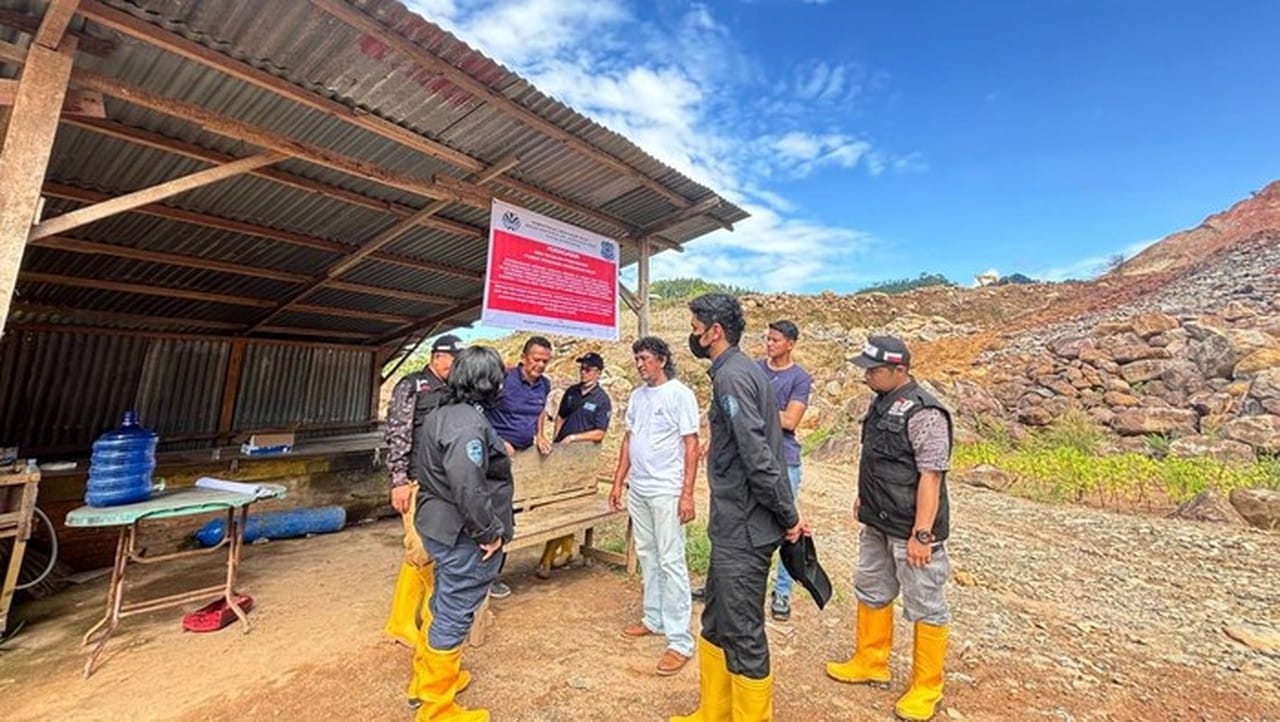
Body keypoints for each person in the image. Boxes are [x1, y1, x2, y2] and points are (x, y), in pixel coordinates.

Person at [671, 293, 805, 722]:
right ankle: (714, 711)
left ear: (715, 331)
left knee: (743, 631)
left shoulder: (732, 377)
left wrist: (788, 515)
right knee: (715, 620)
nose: (692, 335)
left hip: (747, 529)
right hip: (731, 525)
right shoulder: (738, 371)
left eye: (695, 328)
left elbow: (759, 456)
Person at [825, 335, 953, 722]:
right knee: (871, 587)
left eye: (874, 370)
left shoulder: (925, 412)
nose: (866, 375)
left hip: (910, 528)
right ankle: (871, 661)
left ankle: (927, 687)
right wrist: (863, 498)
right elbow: (878, 460)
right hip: (876, 520)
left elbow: (931, 476)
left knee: (925, 603)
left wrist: (922, 534)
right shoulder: (880, 402)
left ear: (900, 370)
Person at [410, 345, 513, 722]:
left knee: (442, 602)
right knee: (454, 611)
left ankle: (426, 682)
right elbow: (468, 485)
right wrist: (488, 532)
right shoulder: (467, 424)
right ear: (487, 383)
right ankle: (437, 710)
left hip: (437, 524)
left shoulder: (443, 412)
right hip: (462, 532)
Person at [608, 337, 699, 676]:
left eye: (645, 358)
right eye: (636, 359)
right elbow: (628, 440)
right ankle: (654, 617)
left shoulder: (680, 394)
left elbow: (691, 445)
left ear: (661, 359)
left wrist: (687, 493)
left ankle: (680, 641)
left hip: (666, 491)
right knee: (647, 554)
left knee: (671, 560)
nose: (639, 364)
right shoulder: (637, 396)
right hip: (640, 488)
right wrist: (618, 481)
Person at [383, 334, 462, 654]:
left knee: (434, 547)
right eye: (452, 360)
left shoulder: (453, 390)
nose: (454, 366)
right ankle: (406, 622)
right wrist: (399, 480)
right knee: (419, 547)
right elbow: (397, 433)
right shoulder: (411, 385)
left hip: (443, 482)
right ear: (437, 356)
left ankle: (419, 619)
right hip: (415, 480)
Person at [483, 336, 553, 598]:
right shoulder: (503, 379)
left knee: (508, 518)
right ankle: (484, 578)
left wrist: (540, 435)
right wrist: (498, 442)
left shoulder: (544, 384)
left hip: (523, 461)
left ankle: (493, 575)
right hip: (496, 458)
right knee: (494, 516)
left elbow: (540, 410)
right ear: (524, 358)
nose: (540, 365)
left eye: (545, 361)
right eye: (536, 360)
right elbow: (482, 412)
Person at [537, 351, 614, 579]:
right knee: (556, 505)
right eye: (582, 368)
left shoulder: (602, 399)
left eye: (588, 369)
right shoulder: (571, 392)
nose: (583, 372)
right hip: (562, 458)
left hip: (581, 461)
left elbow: (600, 433)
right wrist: (557, 440)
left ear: (598, 373)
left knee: (566, 508)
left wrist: (574, 438)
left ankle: (547, 559)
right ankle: (566, 549)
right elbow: (560, 417)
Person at [759, 320, 812, 622]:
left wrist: (755, 408)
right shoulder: (755, 369)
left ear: (790, 344)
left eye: (776, 340)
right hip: (754, 457)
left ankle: (782, 591)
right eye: (768, 339)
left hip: (785, 460)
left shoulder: (799, 378)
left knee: (787, 525)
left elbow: (791, 421)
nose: (769, 344)